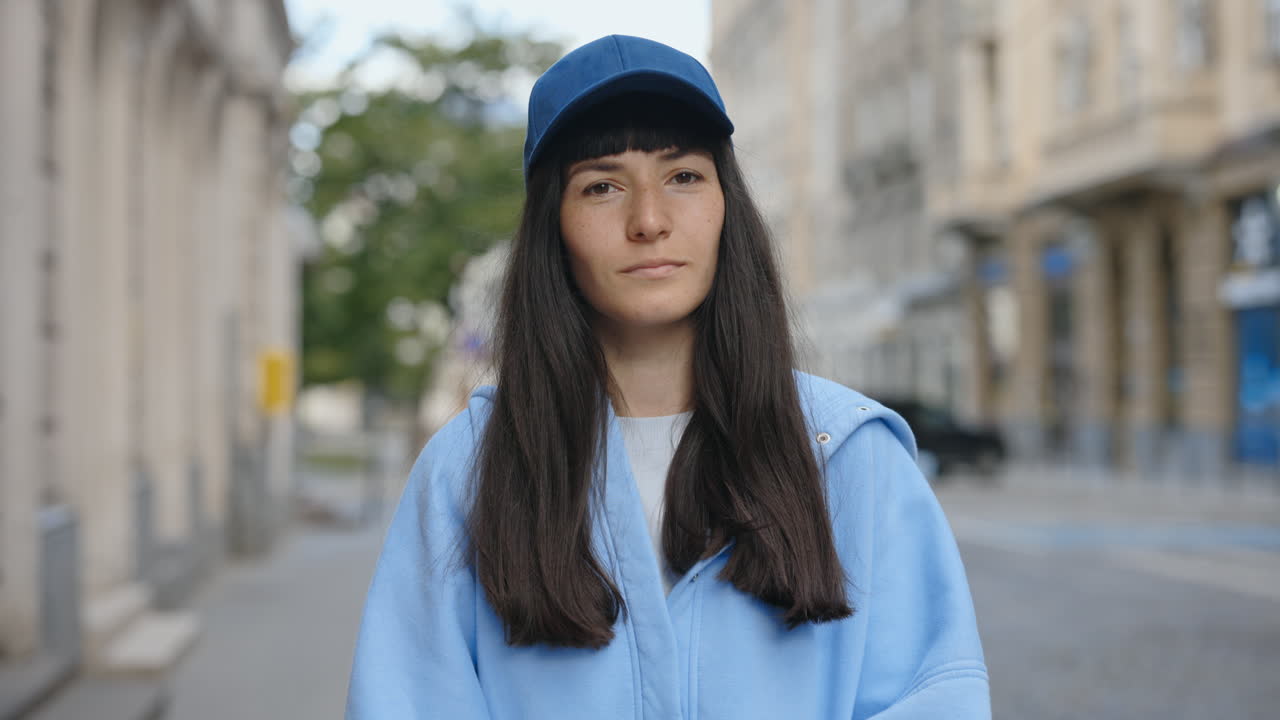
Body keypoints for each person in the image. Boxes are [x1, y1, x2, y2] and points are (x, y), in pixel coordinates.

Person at [345, 35, 990, 719]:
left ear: (725, 206)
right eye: (601, 186)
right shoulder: (467, 469)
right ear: (551, 228)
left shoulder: (850, 456)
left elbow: (932, 697)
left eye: (683, 176)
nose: (649, 221)